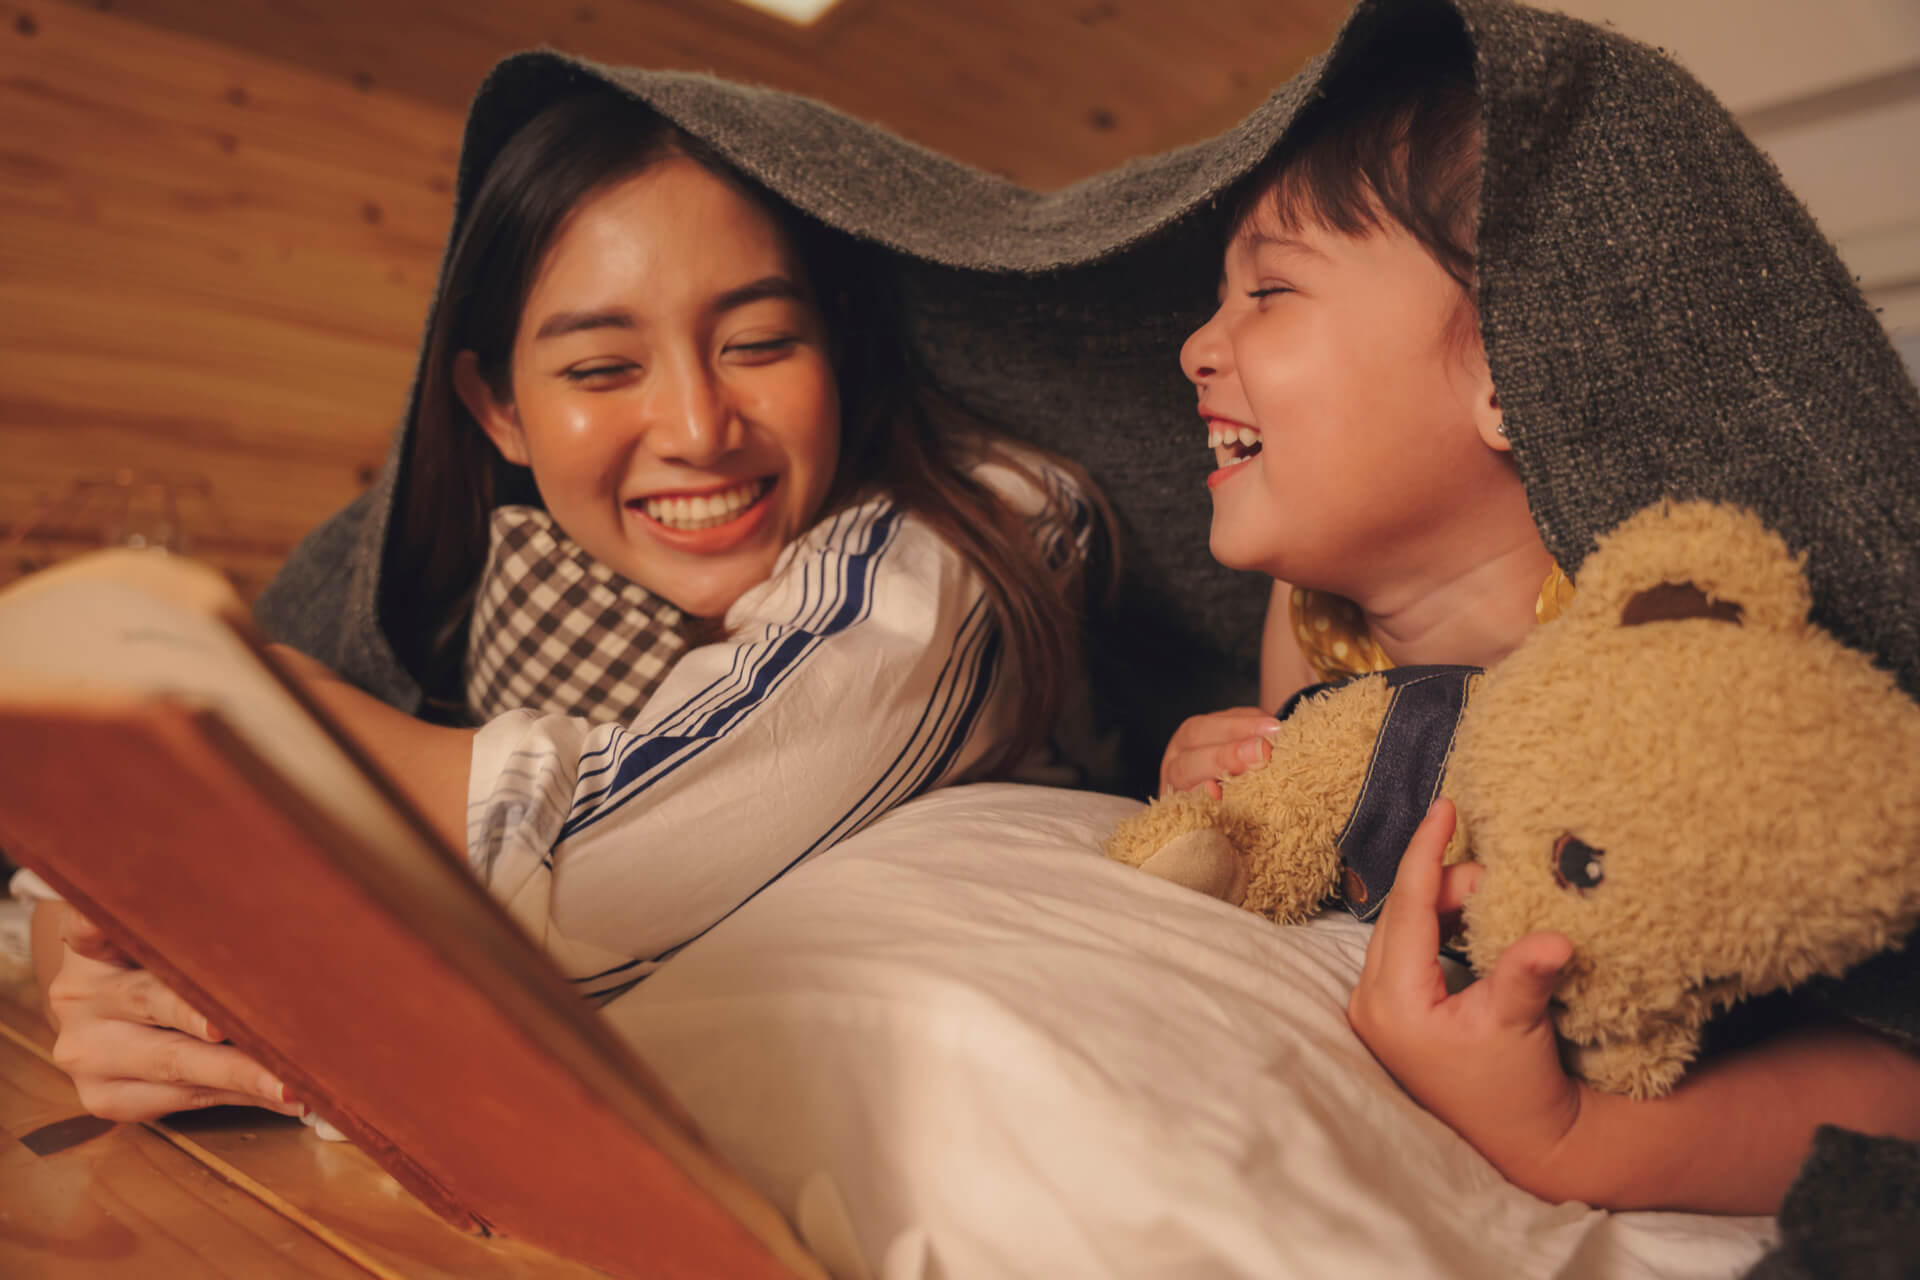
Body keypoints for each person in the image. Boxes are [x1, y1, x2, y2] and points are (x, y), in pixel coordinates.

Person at [28, 85, 1109, 1122]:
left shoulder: (985, 522)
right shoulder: (467, 581)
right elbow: (58, 876)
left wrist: (256, 705)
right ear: (498, 407)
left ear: (837, 348)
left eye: (760, 344)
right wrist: (87, 965)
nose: (696, 425)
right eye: (601, 368)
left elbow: (609, 866)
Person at [1159, 13, 1920, 1215]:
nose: (1199, 345)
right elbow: (1312, 799)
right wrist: (1227, 776)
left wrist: (1569, 1137)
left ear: (1518, 372)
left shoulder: (1655, 653)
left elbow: (1897, 1060)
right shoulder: (1316, 617)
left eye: (1269, 291)